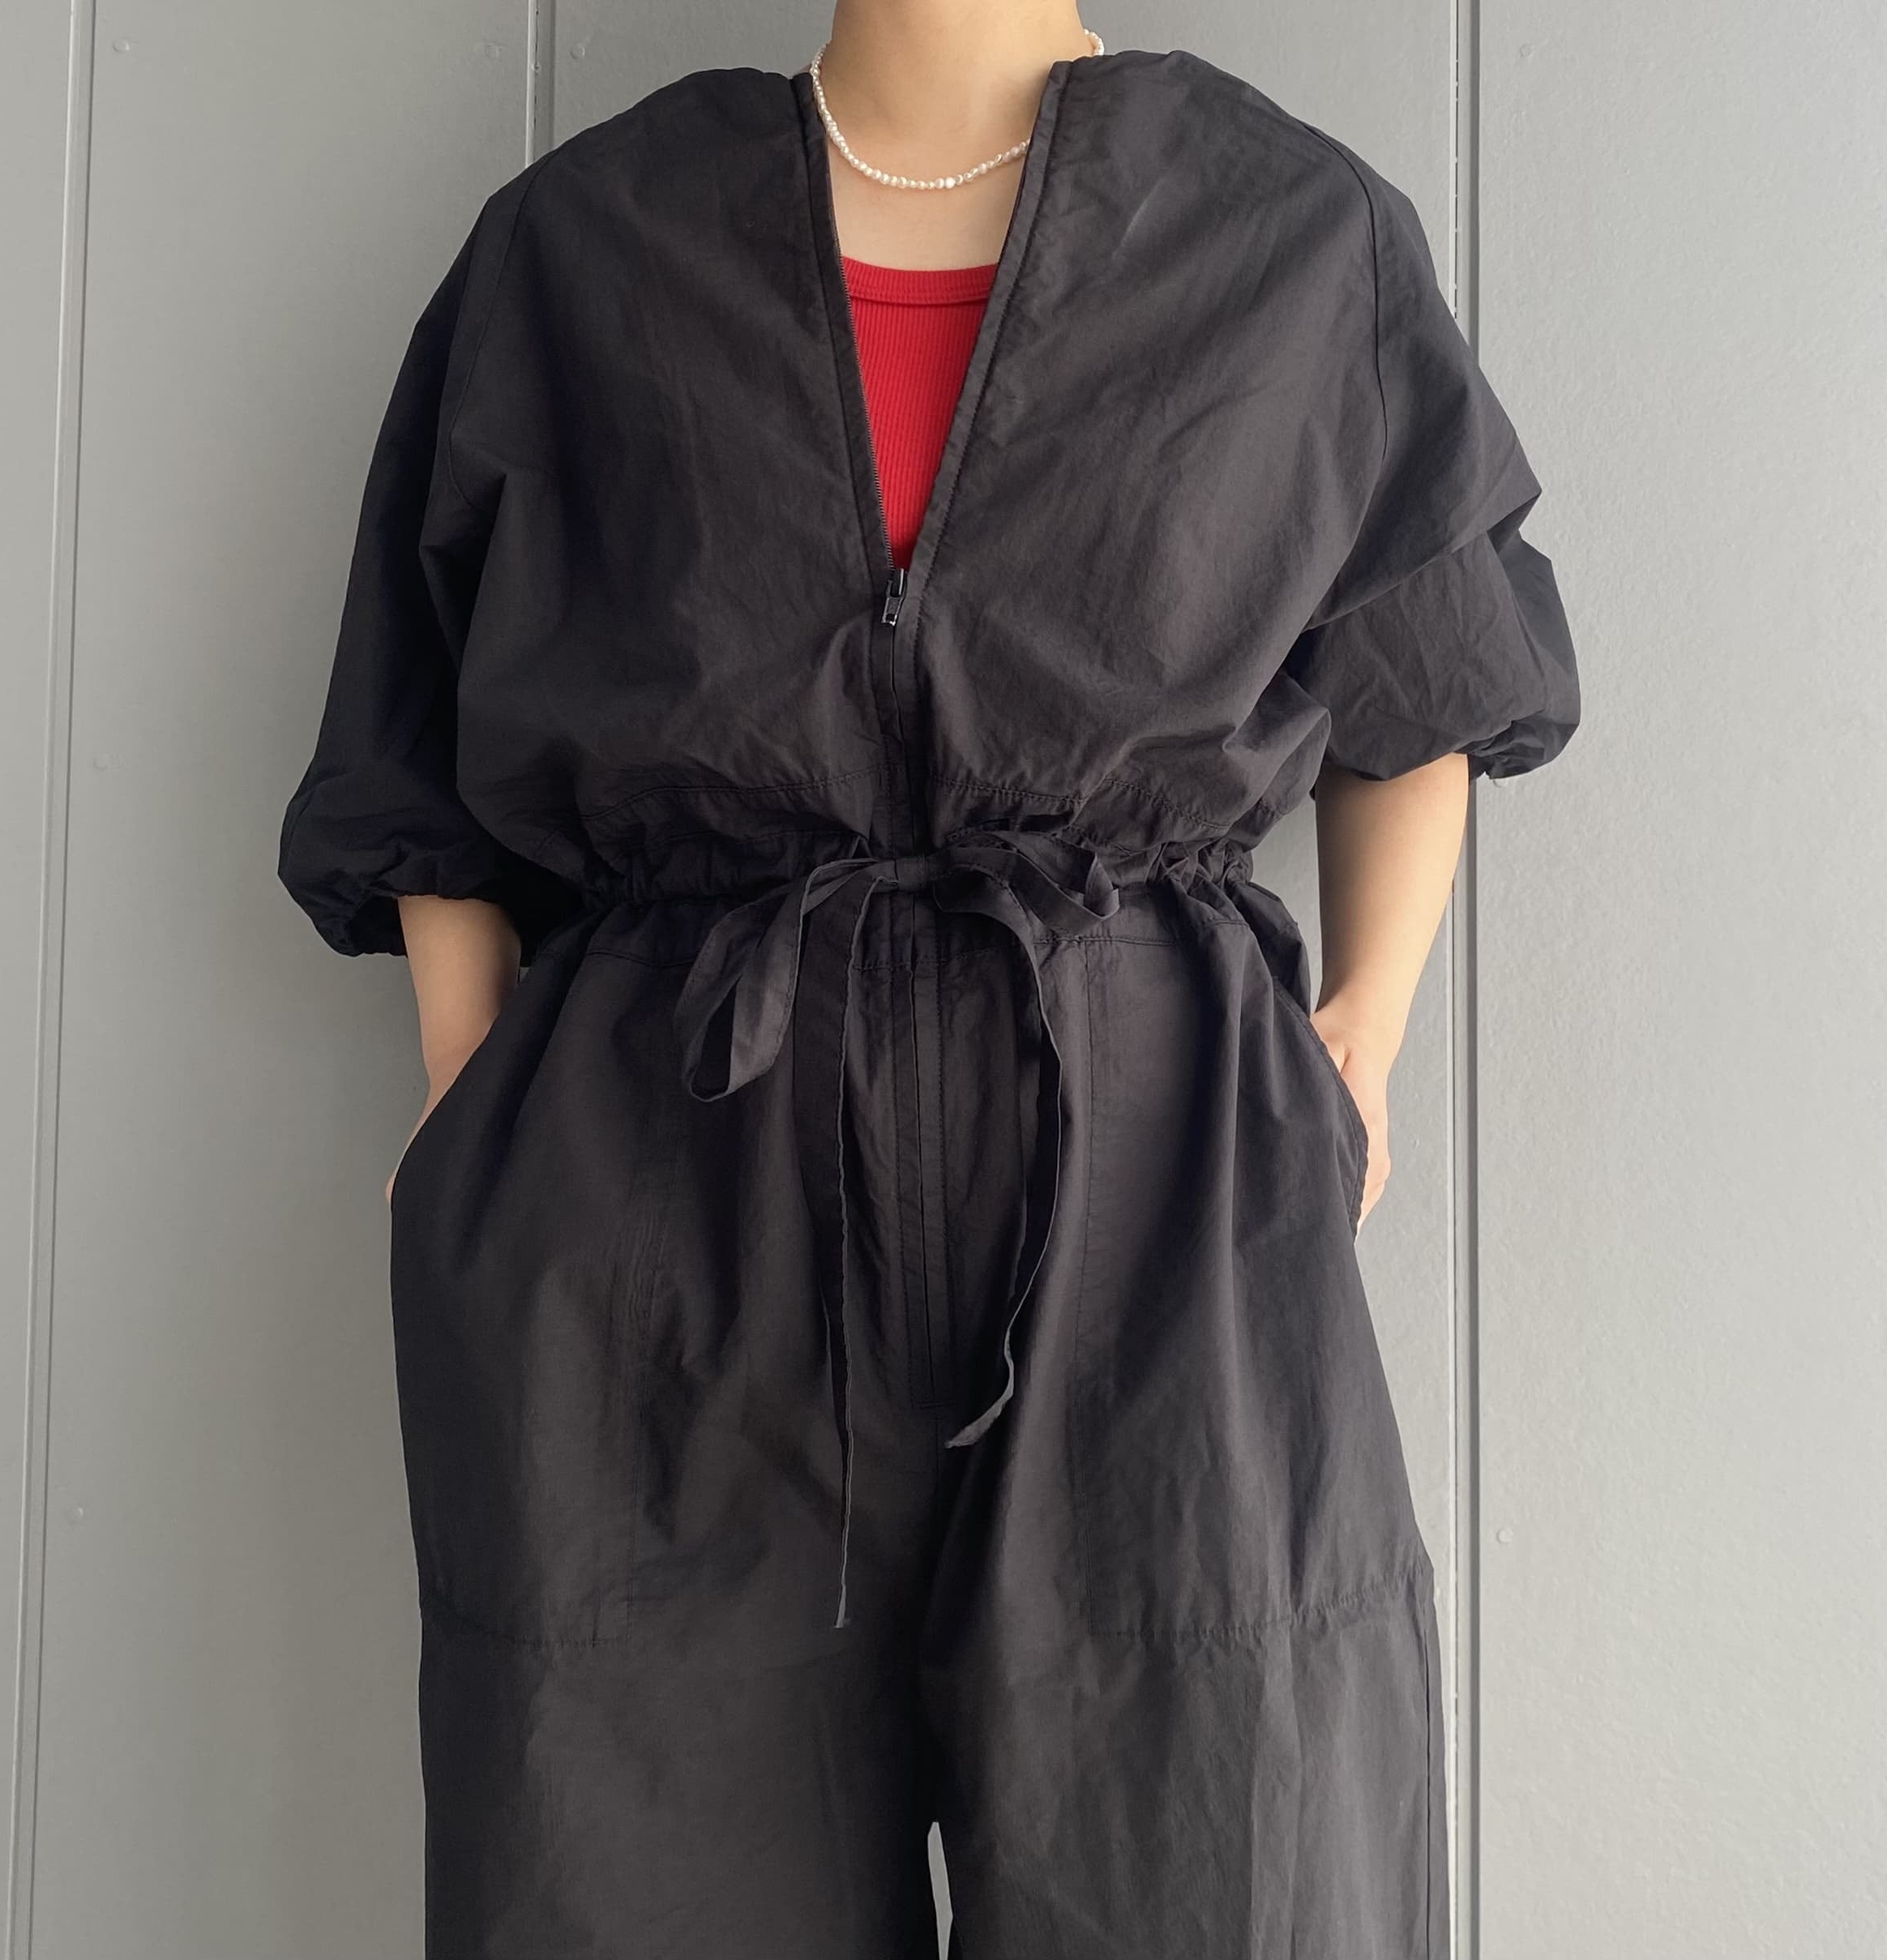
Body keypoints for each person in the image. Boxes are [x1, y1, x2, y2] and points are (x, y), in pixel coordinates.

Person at [276, 4, 1580, 1955]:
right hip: (663, 1185)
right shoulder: (587, 241)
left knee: (1216, 1852)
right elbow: (421, 703)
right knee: (628, 1866)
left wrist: (1364, 1036)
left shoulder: (1291, 233)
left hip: (1156, 1168)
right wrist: (468, 1084)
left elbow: (1429, 672)